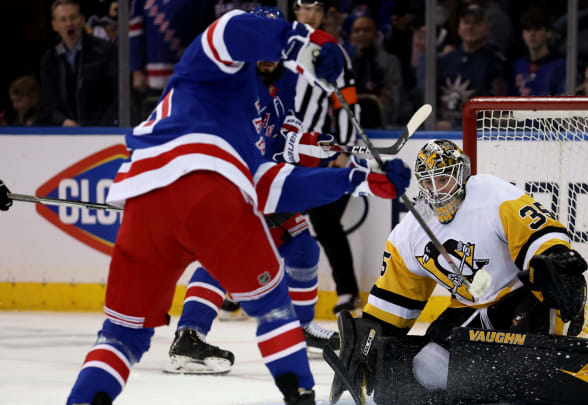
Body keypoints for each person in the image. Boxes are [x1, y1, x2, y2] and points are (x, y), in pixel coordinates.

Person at [64, 9, 410, 405]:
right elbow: (231, 29)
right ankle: (284, 383)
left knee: (120, 336)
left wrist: (356, 178)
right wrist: (303, 40)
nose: (266, 57)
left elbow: (271, 173)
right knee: (271, 306)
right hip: (214, 191)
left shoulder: (282, 84)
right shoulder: (217, 65)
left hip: (146, 201)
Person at [328, 139, 588, 404]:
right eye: (428, 182)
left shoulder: (492, 194)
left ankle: (546, 351)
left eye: (442, 179)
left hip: (521, 297)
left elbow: (542, 238)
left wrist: (556, 264)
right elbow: (390, 307)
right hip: (471, 308)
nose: (435, 191)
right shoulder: (407, 235)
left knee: (524, 348)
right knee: (426, 364)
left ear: (461, 174)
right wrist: (364, 344)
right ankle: (485, 392)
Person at [164, 7, 345, 376]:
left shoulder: (288, 77)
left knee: (303, 246)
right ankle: (188, 335)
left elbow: (283, 130)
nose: (265, 55)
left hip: (259, 181)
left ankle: (300, 326)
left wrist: (313, 144)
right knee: (223, 257)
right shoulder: (231, 78)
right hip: (224, 177)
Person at [293, 0, 364, 316]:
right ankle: (239, 287)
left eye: (317, 10)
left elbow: (347, 102)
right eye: (305, 8)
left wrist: (347, 148)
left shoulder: (331, 50)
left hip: (313, 151)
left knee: (324, 220)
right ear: (294, 11)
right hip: (273, 146)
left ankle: (348, 291)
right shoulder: (279, 45)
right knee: (257, 218)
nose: (311, 15)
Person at [130, 0, 213, 118]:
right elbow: (136, 33)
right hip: (152, 77)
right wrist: (136, 70)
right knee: (153, 123)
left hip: (188, 76)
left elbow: (204, 34)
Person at [40, 0, 118, 127]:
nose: (69, 24)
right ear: (55, 25)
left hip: (101, 131)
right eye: (63, 20)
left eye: (73, 18)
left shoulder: (104, 52)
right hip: (64, 133)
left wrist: (101, 127)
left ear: (82, 20)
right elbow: (49, 102)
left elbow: (117, 98)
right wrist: (64, 121)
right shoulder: (50, 59)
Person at [436, 4, 510, 129]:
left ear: (487, 27)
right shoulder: (445, 61)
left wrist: (456, 125)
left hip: (480, 134)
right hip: (443, 130)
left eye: (476, 23)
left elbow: (496, 111)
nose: (470, 27)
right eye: (466, 22)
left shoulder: (497, 62)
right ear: (459, 27)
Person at [349, 15, 404, 127]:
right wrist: (372, 96)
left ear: (377, 34)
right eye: (357, 31)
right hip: (351, 125)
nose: (361, 34)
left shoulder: (390, 62)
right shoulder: (346, 63)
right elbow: (338, 98)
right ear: (351, 36)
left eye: (367, 30)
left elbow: (392, 99)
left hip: (381, 126)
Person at [513, 7, 565, 96]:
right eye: (528, 29)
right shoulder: (517, 66)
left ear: (548, 32)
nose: (532, 34)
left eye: (537, 29)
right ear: (523, 34)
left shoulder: (560, 66)